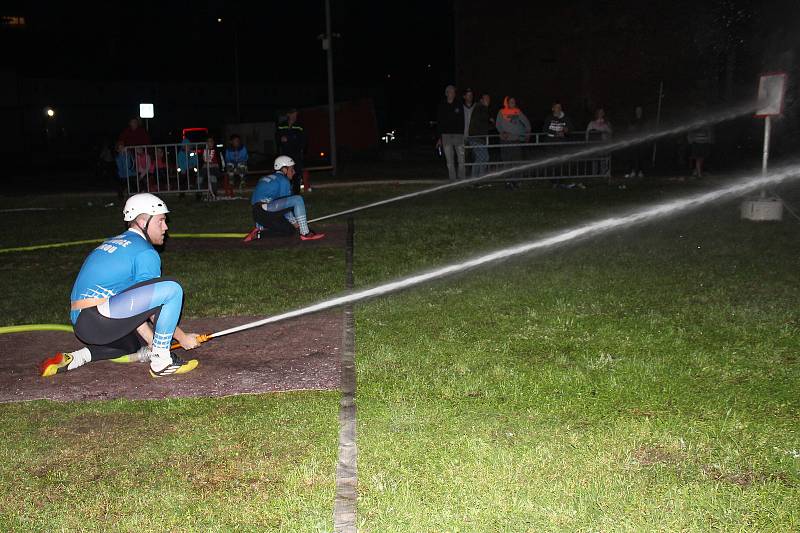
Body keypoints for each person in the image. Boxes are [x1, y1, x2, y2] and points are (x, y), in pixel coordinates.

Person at [39, 193, 202, 378]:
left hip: (84, 322)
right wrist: (182, 338)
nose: (166, 227)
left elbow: (135, 305)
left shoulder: (115, 242)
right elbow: (151, 307)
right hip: (96, 318)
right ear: (142, 221)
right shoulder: (145, 252)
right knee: (172, 289)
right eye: (161, 220)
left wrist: (151, 340)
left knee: (134, 342)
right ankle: (162, 363)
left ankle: (78, 357)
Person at [245, 156, 325, 242]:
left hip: (259, 215)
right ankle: (305, 233)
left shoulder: (267, 178)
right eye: (291, 169)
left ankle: (259, 234)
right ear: (284, 169)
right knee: (297, 199)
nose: (293, 172)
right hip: (265, 210)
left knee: (289, 231)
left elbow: (256, 201)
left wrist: (259, 225)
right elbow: (287, 208)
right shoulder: (283, 180)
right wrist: (296, 223)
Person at [495, 96, 531, 189]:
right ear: (507, 102)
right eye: (511, 101)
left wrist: (527, 133)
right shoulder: (501, 112)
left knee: (516, 162)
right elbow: (498, 124)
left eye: (514, 101)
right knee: (506, 162)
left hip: (516, 141)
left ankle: (517, 181)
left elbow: (527, 123)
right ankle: (508, 182)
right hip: (505, 141)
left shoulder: (518, 112)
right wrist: (502, 132)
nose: (512, 102)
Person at [436, 84, 465, 180]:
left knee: (461, 159)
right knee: (449, 161)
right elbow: (439, 123)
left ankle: (461, 179)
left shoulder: (459, 104)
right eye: (450, 92)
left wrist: (462, 134)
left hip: (458, 136)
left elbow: (462, 121)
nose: (452, 94)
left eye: (453, 92)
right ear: (446, 93)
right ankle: (452, 179)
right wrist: (439, 138)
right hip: (446, 136)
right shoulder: (442, 105)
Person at [277, 109, 307, 194]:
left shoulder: (299, 126)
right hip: (285, 155)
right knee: (285, 174)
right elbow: (278, 138)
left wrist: (289, 139)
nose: (294, 116)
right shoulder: (282, 126)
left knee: (296, 173)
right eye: (293, 114)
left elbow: (302, 140)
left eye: (296, 114)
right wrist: (281, 139)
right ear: (288, 115)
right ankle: (285, 192)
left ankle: (297, 193)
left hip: (296, 154)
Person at [468, 93, 492, 177]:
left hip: (477, 137)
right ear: (481, 100)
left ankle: (476, 179)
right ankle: (478, 178)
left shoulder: (479, 108)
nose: (488, 100)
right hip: (477, 138)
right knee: (484, 157)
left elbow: (483, 124)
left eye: (489, 99)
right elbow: (483, 122)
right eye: (486, 99)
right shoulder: (481, 108)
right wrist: (491, 121)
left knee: (480, 158)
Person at [586, 108, 613, 177]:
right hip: (594, 145)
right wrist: (588, 143)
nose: (601, 114)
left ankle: (603, 174)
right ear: (597, 113)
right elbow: (587, 133)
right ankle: (594, 175)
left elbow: (610, 133)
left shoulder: (607, 123)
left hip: (604, 145)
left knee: (603, 160)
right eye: (599, 112)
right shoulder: (592, 123)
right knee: (595, 160)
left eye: (602, 112)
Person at [626, 106, 646, 178]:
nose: (638, 111)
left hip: (642, 141)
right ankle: (633, 171)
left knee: (641, 156)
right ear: (635, 111)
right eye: (637, 110)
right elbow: (630, 128)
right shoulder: (632, 119)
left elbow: (645, 129)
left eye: (640, 110)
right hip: (634, 140)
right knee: (634, 156)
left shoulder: (644, 119)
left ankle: (641, 171)